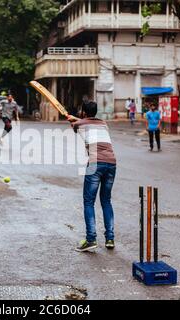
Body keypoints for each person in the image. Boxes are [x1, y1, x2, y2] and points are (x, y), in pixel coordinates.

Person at [67, 99, 117, 253]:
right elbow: (85, 122)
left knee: (88, 202)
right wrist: (76, 118)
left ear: (83, 112)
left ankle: (91, 239)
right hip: (112, 163)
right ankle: (110, 239)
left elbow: (76, 125)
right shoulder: (103, 123)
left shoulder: (79, 124)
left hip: (95, 164)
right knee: (106, 201)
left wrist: (72, 119)